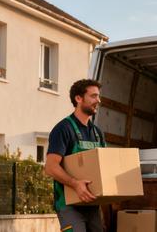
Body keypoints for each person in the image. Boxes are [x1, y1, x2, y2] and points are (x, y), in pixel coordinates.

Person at [44, 79, 106, 232]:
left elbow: (104, 166)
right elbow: (50, 168)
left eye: (98, 96)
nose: (98, 101)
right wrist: (75, 184)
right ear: (78, 98)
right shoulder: (63, 129)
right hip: (68, 204)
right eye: (93, 96)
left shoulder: (98, 133)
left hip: (92, 204)